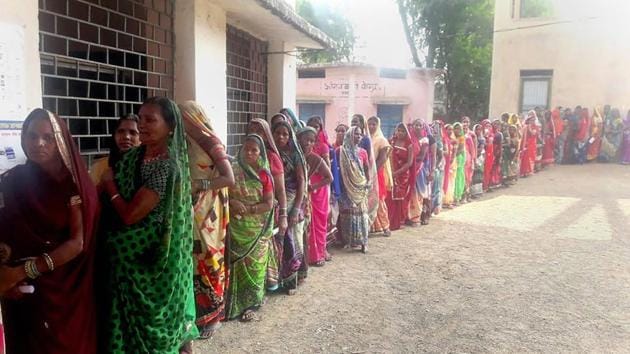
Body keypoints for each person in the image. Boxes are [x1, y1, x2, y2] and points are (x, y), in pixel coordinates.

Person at [101, 97, 198, 353]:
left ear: (170, 127)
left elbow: (131, 215)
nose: (142, 125)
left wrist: (110, 185)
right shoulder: (133, 157)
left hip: (151, 258)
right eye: (141, 118)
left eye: (150, 120)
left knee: (155, 330)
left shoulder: (167, 167)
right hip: (125, 256)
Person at [0, 108, 99, 353]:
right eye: (32, 136)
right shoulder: (12, 181)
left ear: (60, 141)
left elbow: (78, 243)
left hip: (64, 290)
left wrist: (24, 271)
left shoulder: (72, 187)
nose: (38, 143)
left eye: (48, 137)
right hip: (18, 290)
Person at [179, 101, 235, 339]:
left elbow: (228, 178)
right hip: (189, 207)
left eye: (183, 117)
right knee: (191, 257)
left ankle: (214, 316)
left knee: (210, 257)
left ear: (194, 118)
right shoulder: (180, 141)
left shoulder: (211, 142)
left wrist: (200, 186)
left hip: (209, 209)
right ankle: (196, 315)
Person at [226, 134, 274, 322]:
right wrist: (233, 202)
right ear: (241, 149)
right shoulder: (233, 169)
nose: (250, 153)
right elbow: (222, 194)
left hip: (257, 228)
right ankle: (234, 304)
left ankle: (252, 303)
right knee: (235, 266)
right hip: (236, 225)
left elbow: (269, 204)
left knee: (255, 267)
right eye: (246, 149)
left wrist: (250, 209)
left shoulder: (264, 174)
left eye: (254, 150)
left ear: (260, 152)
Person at [247, 118, 288, 291]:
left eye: (260, 130)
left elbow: (281, 190)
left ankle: (262, 286)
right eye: (252, 129)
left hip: (266, 210)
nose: (255, 133)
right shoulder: (245, 154)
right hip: (244, 216)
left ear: (266, 134)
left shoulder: (272, 158)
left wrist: (285, 215)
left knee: (263, 249)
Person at [272, 120, 308, 287]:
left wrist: (295, 210)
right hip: (273, 199)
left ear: (290, 136)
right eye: (278, 133)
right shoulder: (270, 152)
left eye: (285, 134)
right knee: (276, 239)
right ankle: (275, 278)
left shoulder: (295, 154)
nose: (281, 137)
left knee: (291, 239)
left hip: (292, 199)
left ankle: (291, 279)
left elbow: (301, 181)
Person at [297, 127, 333, 266]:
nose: (308, 143)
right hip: (297, 197)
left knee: (316, 226)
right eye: (306, 140)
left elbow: (329, 177)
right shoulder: (294, 156)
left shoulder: (316, 159)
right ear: (299, 140)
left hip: (314, 199)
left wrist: (312, 187)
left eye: (312, 141)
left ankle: (317, 255)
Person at [337, 126, 371, 253]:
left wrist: (368, 182)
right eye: (355, 134)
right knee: (347, 215)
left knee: (362, 215)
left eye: (360, 135)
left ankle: (364, 243)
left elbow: (367, 168)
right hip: (346, 187)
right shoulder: (340, 151)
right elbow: (337, 171)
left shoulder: (363, 152)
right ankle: (348, 241)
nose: (358, 136)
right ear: (349, 135)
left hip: (360, 187)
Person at [90, 114, 141, 185]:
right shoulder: (99, 167)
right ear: (114, 135)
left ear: (142, 138)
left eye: (133, 133)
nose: (126, 137)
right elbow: (91, 195)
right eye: (121, 131)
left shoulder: (148, 168)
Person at [367, 116, 393, 235]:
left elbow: (383, 158)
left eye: (374, 124)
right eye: (369, 124)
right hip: (367, 171)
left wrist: (373, 172)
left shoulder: (381, 140)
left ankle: (385, 226)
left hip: (377, 172)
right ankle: (373, 226)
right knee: (370, 199)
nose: (371, 126)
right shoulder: (366, 138)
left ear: (378, 126)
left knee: (380, 199)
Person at [386, 123, 414, 231]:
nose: (400, 133)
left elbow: (409, 163)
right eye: (399, 130)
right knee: (389, 197)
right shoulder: (391, 142)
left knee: (399, 198)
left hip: (402, 175)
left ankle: (397, 222)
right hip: (390, 172)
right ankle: (388, 221)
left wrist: (397, 173)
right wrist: (390, 173)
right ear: (395, 131)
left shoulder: (409, 144)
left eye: (403, 131)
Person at [430, 120, 446, 215]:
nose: (435, 131)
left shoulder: (438, 141)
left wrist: (435, 166)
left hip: (436, 168)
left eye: (437, 128)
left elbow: (440, 155)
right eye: (433, 128)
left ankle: (434, 207)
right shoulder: (430, 138)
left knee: (436, 188)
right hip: (431, 166)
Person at [461, 117, 476, 202]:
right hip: (460, 159)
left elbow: (473, 150)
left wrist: (473, 161)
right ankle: (461, 195)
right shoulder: (458, 136)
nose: (465, 128)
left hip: (468, 159)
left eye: (466, 127)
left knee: (467, 178)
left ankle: (466, 195)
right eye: (463, 127)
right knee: (461, 177)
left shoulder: (469, 136)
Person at [443, 124, 457, 208]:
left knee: (450, 181)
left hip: (451, 163)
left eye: (451, 130)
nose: (450, 131)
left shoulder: (454, 140)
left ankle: (448, 200)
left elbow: (454, 152)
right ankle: (442, 199)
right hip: (443, 162)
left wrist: (451, 161)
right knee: (443, 180)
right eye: (448, 129)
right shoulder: (443, 140)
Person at [520, 112, 538, 177]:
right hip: (526, 143)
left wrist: (529, 128)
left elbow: (534, 134)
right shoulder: (525, 127)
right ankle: (524, 171)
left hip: (533, 144)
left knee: (531, 157)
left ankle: (529, 170)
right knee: (525, 157)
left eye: (533, 120)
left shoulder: (535, 127)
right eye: (531, 120)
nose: (532, 121)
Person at [453, 122, 467, 203]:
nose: (457, 130)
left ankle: (458, 196)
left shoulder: (461, 137)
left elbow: (461, 149)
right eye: (456, 128)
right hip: (453, 157)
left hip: (458, 157)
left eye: (459, 128)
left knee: (458, 177)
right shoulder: (452, 136)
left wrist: (453, 155)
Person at [471, 124, 486, 198]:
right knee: (473, 175)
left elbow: (481, 149)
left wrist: (476, 155)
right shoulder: (472, 137)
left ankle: (478, 192)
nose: (479, 131)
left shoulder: (482, 139)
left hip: (479, 158)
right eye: (477, 129)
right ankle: (473, 192)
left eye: (480, 129)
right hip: (473, 156)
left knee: (479, 175)